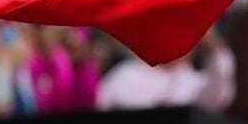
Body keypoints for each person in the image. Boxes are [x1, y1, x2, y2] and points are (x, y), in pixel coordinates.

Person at [97, 27, 235, 112]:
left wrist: (213, 43)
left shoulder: (197, 84)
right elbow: (99, 106)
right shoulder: (127, 73)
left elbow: (221, 94)